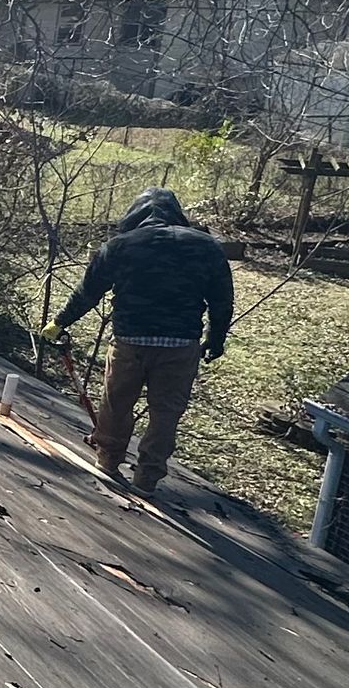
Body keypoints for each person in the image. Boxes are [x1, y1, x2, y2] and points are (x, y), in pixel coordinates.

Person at [44, 188, 234, 493]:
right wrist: (216, 339)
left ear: (133, 215)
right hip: (181, 345)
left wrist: (59, 322)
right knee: (166, 413)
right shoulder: (207, 247)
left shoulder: (120, 246)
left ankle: (108, 461)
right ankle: (148, 477)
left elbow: (88, 292)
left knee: (116, 403)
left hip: (130, 341)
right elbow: (222, 301)